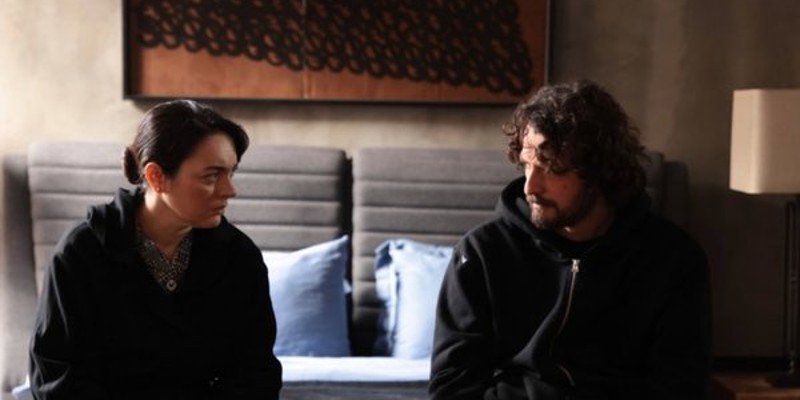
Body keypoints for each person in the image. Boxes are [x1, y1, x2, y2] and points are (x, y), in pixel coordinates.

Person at [429, 80, 712, 399]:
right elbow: (452, 386)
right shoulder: (482, 252)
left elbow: (681, 386)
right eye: (527, 165)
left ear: (599, 170)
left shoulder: (672, 260)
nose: (530, 187)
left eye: (551, 167)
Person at [28, 99, 282, 399]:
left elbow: (256, 373)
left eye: (231, 173)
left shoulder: (239, 256)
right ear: (156, 177)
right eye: (212, 176)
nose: (230, 190)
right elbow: (58, 377)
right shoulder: (80, 252)